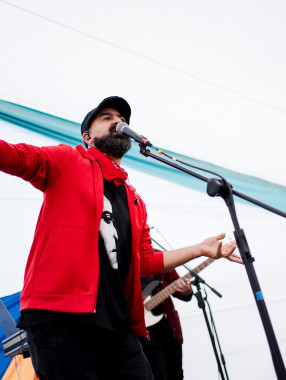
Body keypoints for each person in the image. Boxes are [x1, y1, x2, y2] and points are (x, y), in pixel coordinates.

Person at [0, 96, 242, 380]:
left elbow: (144, 260)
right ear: (87, 136)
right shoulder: (67, 160)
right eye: (107, 117)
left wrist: (199, 249)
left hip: (116, 324)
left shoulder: (134, 201)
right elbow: (14, 156)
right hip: (60, 318)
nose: (118, 122)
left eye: (122, 119)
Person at [139, 271, 192, 380]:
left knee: (176, 374)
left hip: (169, 328)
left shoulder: (159, 255)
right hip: (143, 335)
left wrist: (187, 291)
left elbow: (179, 290)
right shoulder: (119, 259)